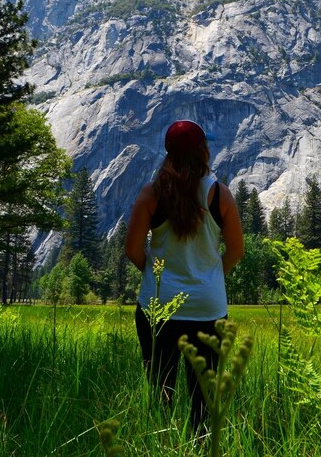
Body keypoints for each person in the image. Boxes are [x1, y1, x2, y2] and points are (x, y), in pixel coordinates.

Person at [125, 119, 244, 431]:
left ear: (168, 152)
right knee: (204, 401)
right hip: (208, 309)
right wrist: (212, 277)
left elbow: (133, 250)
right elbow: (236, 251)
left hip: (158, 307)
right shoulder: (220, 196)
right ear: (203, 151)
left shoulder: (151, 195)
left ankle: (160, 446)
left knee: (160, 392)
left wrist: (157, 275)